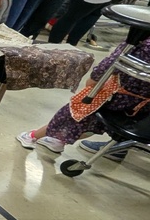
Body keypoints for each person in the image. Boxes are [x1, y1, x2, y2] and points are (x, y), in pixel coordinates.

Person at [17, 36, 150, 153]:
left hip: (115, 94)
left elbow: (112, 62)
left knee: (72, 115)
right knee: (97, 125)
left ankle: (32, 136)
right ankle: (58, 141)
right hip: (141, 105)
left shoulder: (140, 40)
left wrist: (95, 78)